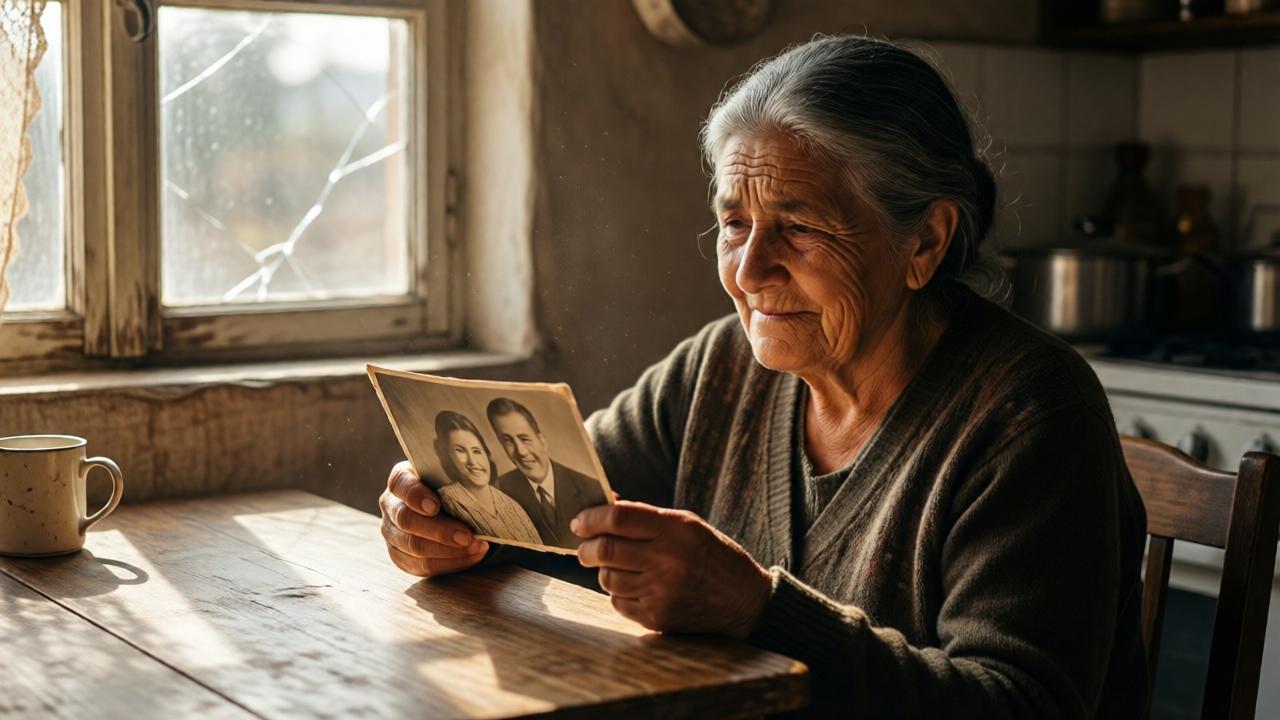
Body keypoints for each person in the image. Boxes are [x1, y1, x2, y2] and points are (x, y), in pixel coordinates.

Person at [378, 35, 1147, 717]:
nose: (749, 272)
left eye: (802, 227)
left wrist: (759, 609)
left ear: (925, 241)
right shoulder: (721, 367)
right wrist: (451, 527)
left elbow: (1023, 702)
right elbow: (551, 511)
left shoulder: (1028, 413)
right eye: (735, 224)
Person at [485, 397, 607, 548]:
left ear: (541, 440)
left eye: (525, 439)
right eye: (507, 441)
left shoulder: (592, 488)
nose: (521, 452)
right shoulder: (497, 492)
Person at [431, 410, 541, 546]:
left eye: (477, 451)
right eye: (460, 450)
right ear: (449, 457)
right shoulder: (448, 500)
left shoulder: (511, 505)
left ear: (487, 455)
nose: (472, 461)